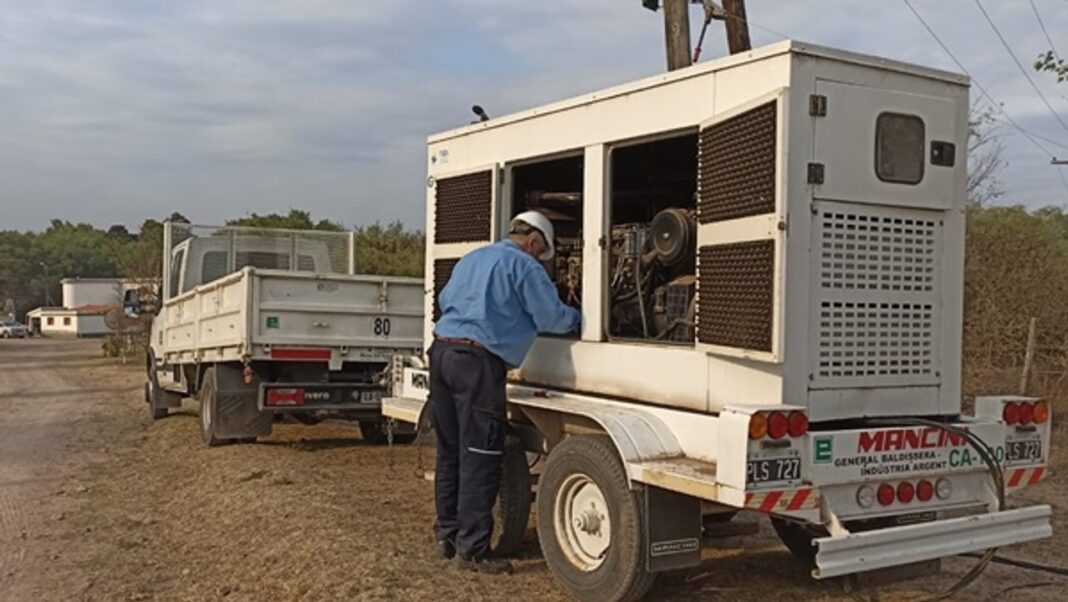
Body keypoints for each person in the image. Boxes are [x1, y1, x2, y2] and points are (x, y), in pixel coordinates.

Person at [430, 210, 581, 574]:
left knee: (450, 452)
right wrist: (580, 317)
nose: (539, 259)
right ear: (533, 243)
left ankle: (446, 537)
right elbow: (549, 318)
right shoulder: (525, 267)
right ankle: (473, 551)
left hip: (441, 352)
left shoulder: (473, 258)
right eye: (540, 252)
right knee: (480, 453)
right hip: (476, 362)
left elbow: (444, 299)